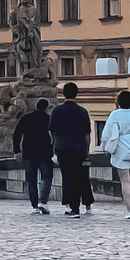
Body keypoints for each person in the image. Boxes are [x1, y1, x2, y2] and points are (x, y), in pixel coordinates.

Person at [50, 83, 94, 217]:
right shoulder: (82, 111)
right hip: (79, 148)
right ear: (76, 93)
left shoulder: (57, 110)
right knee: (79, 176)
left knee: (67, 177)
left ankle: (73, 207)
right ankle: (83, 203)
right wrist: (87, 150)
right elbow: (87, 134)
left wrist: (54, 146)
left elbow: (52, 130)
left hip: (63, 147)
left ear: (63, 94)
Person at [15, 98, 55, 215]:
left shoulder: (26, 118)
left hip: (29, 153)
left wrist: (16, 151)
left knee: (31, 181)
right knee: (46, 177)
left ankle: (34, 206)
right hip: (45, 153)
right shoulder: (48, 118)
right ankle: (43, 201)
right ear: (46, 107)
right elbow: (54, 134)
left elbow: (17, 134)